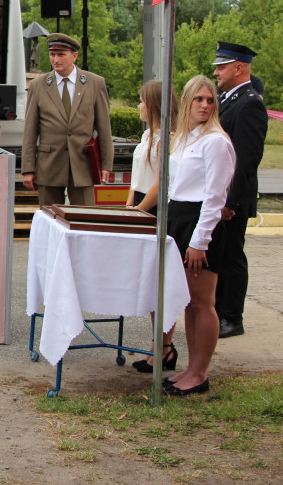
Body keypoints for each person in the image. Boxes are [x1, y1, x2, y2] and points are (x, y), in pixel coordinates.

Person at [163, 75, 235, 396]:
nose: (205, 106)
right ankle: (190, 368)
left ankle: (200, 373)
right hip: (178, 219)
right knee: (188, 302)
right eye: (199, 100)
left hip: (200, 223)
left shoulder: (215, 141)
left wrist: (198, 240)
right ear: (187, 102)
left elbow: (215, 197)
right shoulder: (185, 138)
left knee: (203, 302)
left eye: (210, 100)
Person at [212, 41, 267, 339]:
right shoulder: (227, 98)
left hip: (232, 197)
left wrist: (232, 201)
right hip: (219, 194)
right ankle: (219, 311)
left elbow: (247, 159)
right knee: (219, 255)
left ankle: (232, 317)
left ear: (239, 67)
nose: (217, 72)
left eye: (221, 66)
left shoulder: (250, 103)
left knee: (231, 256)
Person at [20, 32, 113, 206]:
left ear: (74, 56)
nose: (55, 59)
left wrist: (106, 164)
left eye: (61, 54)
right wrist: (28, 169)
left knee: (85, 221)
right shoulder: (38, 85)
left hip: (83, 164)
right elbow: (30, 132)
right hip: (49, 165)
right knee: (50, 220)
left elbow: (104, 128)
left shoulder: (94, 83)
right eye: (52, 54)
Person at [126, 79, 178, 372]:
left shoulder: (166, 138)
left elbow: (162, 181)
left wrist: (142, 210)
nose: (139, 106)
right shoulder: (147, 135)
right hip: (140, 204)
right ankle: (157, 343)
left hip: (155, 208)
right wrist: (129, 204)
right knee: (149, 282)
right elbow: (138, 177)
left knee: (161, 282)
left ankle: (165, 346)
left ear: (155, 105)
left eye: (143, 101)